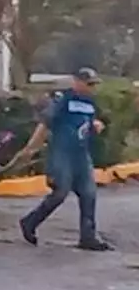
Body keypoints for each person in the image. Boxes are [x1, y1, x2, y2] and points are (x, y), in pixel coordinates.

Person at [16, 67, 112, 251]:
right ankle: (30, 222)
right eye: (89, 83)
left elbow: (87, 123)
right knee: (60, 192)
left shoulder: (90, 103)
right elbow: (45, 123)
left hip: (81, 154)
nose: (92, 87)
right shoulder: (63, 100)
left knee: (89, 194)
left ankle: (88, 237)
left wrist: (96, 126)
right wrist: (30, 148)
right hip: (62, 153)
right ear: (77, 82)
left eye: (94, 84)